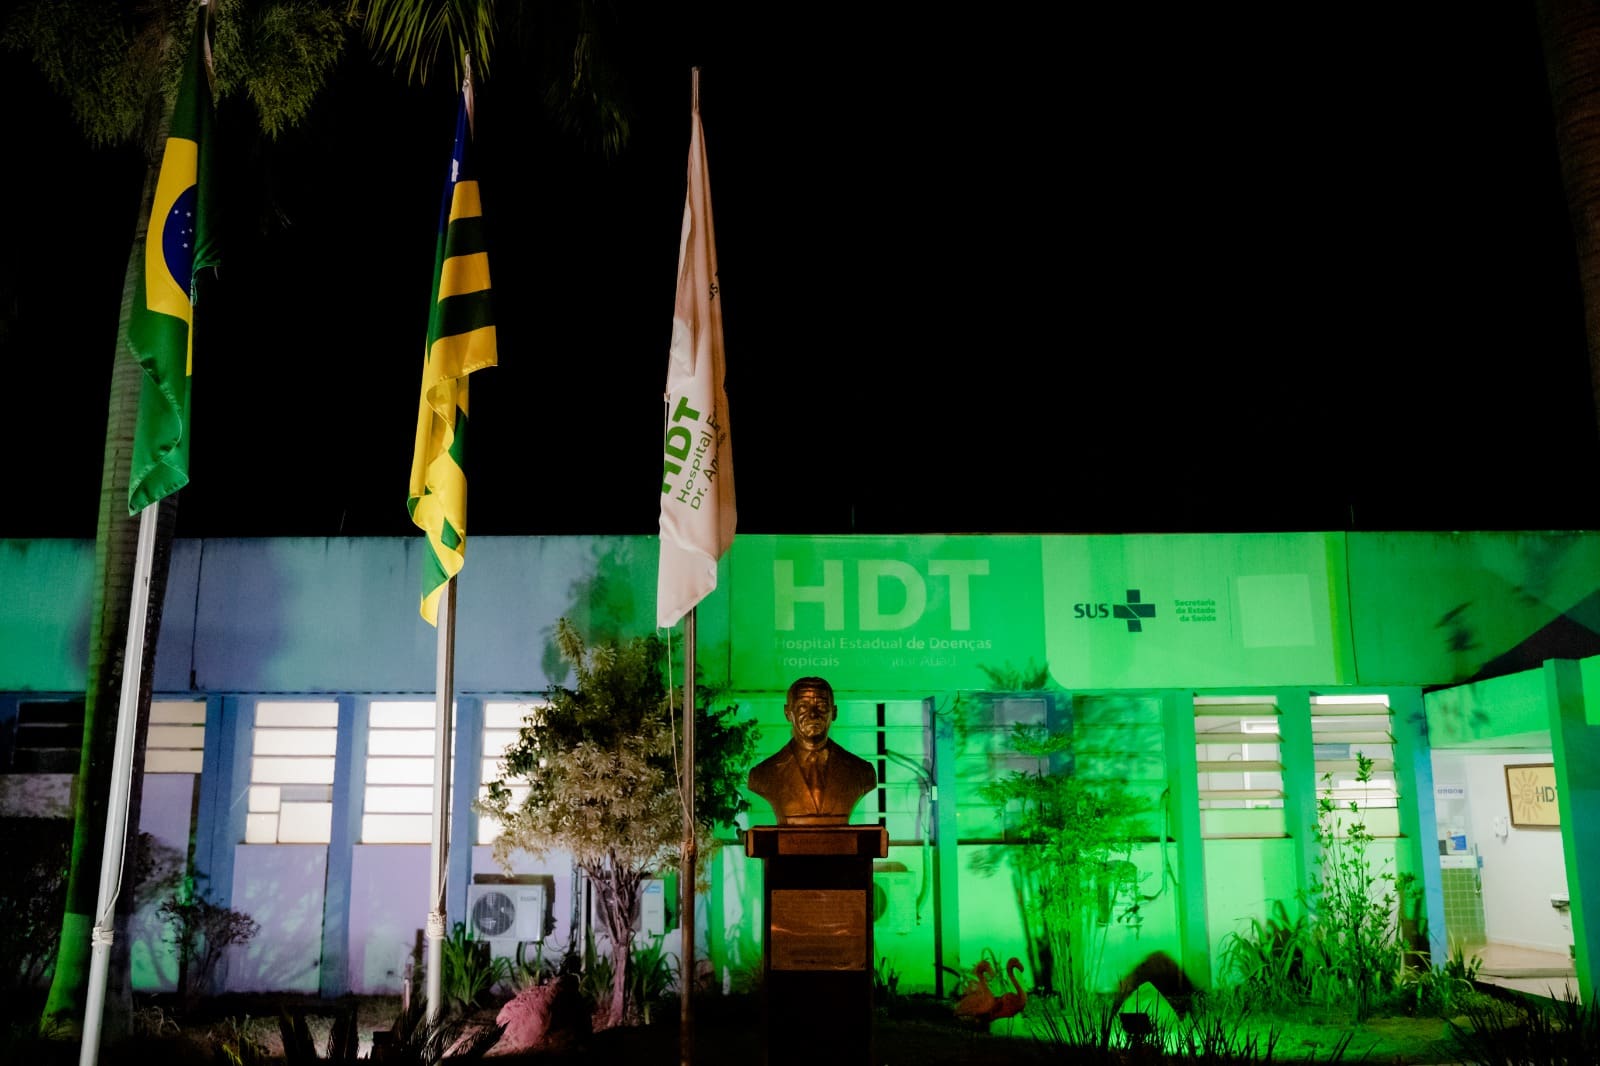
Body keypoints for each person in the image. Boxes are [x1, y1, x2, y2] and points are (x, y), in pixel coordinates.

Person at [747, 676, 878, 825]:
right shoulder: (763, 774)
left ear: (834, 712)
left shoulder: (862, 772)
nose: (813, 714)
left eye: (821, 706)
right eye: (803, 706)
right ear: (788, 713)